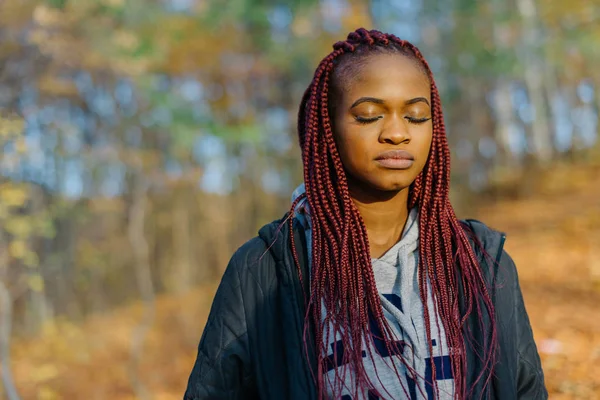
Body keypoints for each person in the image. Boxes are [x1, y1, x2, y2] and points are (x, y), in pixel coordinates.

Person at [183, 28, 547, 400]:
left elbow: (526, 389)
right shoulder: (265, 272)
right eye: (370, 116)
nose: (396, 133)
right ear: (328, 130)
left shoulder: (480, 261)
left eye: (416, 116)